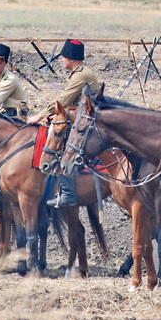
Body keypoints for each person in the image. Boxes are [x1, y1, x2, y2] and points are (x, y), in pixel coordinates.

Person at [27, 39, 100, 208]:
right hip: (80, 114)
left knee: (57, 146)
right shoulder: (80, 73)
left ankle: (68, 192)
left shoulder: (81, 75)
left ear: (71, 58)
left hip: (87, 119)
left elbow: (64, 99)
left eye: (63, 57)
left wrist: (39, 116)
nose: (61, 60)